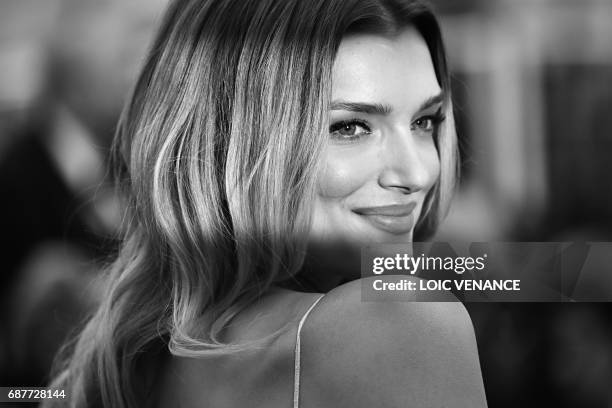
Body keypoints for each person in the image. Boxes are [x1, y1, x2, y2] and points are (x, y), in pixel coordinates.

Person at [45, 0, 487, 407]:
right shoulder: (402, 324)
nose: (417, 174)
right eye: (350, 127)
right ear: (231, 146)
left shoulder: (127, 363)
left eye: (425, 121)